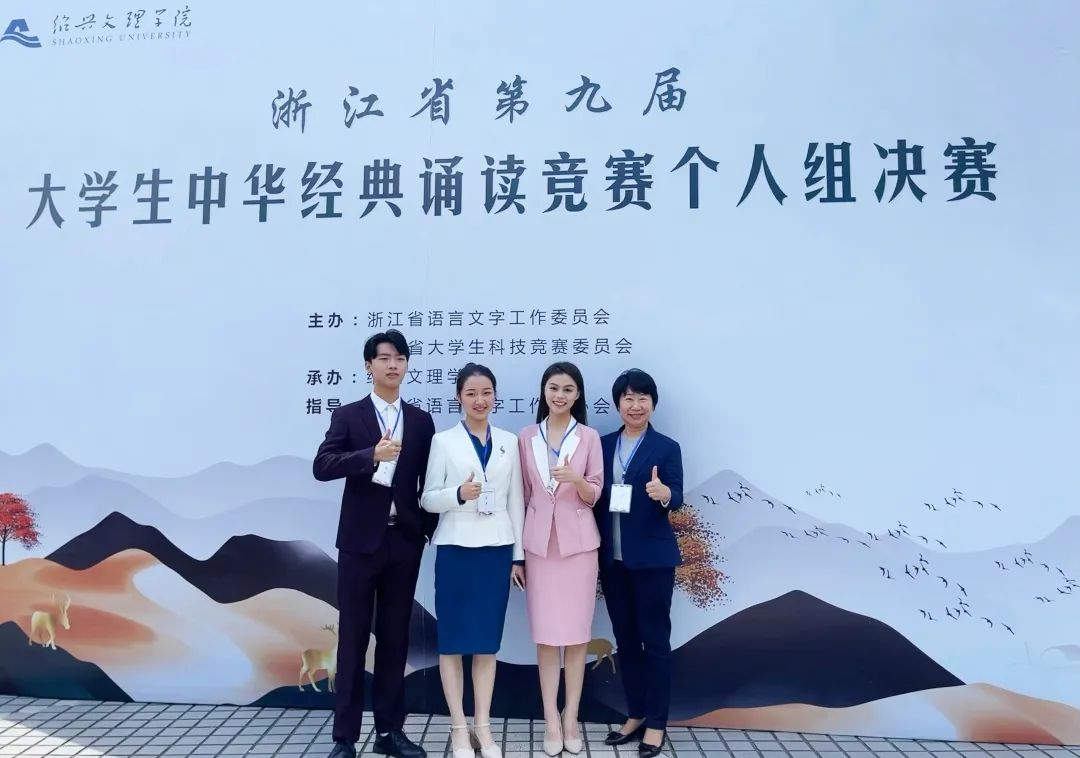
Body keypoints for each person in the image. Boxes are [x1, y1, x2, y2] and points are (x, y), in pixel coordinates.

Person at [312, 329, 436, 758]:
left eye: (400, 358)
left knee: (395, 639)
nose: (393, 365)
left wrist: (423, 530)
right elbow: (323, 465)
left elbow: (430, 481)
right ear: (369, 365)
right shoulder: (349, 416)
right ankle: (344, 738)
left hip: (403, 542)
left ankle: (389, 732)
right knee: (352, 639)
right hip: (359, 543)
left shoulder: (420, 421)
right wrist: (370, 456)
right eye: (384, 358)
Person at [420, 363, 525, 758]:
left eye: (486, 392)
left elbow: (516, 501)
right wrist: (458, 495)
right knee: (452, 644)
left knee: (486, 644)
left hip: (496, 550)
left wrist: (518, 556)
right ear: (459, 398)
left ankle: (483, 726)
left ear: (495, 395)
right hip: (456, 550)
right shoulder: (444, 441)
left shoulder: (509, 441)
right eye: (471, 394)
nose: (480, 400)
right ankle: (458, 728)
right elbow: (428, 498)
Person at [593, 369, 684, 758]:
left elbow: (677, 495)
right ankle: (636, 714)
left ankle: (657, 723)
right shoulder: (601, 444)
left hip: (652, 563)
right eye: (628, 398)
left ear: (653, 403)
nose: (635, 405)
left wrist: (664, 493)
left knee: (656, 642)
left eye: (642, 398)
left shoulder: (666, 447)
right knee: (626, 641)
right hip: (613, 563)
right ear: (618, 404)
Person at [517, 362, 603, 757]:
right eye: (554, 388)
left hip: (579, 549)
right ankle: (551, 718)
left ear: (577, 394)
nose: (560, 395)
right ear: (544, 391)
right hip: (540, 549)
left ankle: (572, 718)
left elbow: (595, 493)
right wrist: (517, 556)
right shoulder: (526, 437)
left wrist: (577, 480)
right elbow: (520, 497)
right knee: (547, 637)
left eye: (568, 389)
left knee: (577, 637)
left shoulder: (588, 437)